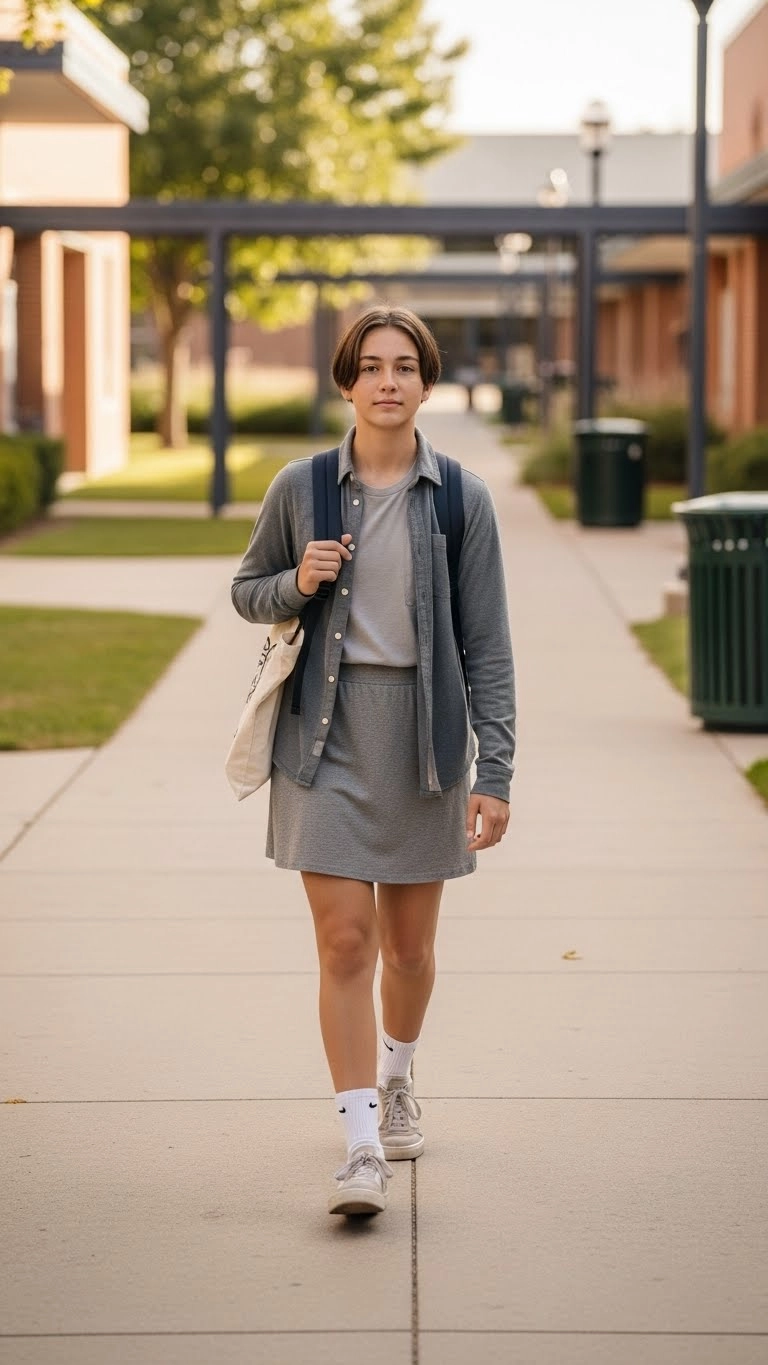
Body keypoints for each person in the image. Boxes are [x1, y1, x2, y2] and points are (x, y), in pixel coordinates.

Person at [232, 305, 515, 1218]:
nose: (387, 381)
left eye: (404, 367)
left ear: (426, 383)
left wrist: (495, 772)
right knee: (345, 941)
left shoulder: (462, 498)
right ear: (347, 382)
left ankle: (397, 1077)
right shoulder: (302, 487)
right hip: (325, 736)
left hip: (424, 743)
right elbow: (247, 591)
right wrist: (297, 581)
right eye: (371, 366)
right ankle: (360, 1146)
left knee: (410, 948)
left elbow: (488, 646)